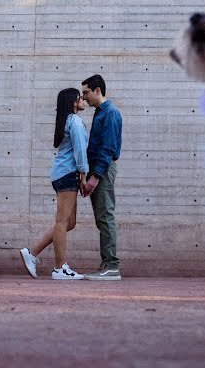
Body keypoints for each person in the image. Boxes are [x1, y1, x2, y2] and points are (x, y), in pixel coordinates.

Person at [19, 88, 90, 280]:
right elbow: (80, 151)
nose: (83, 99)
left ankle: (31, 252)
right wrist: (84, 176)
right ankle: (59, 268)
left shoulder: (67, 120)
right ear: (74, 102)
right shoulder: (74, 121)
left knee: (69, 223)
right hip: (68, 174)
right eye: (80, 97)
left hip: (64, 174)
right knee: (62, 222)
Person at [80, 74, 123, 281]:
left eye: (86, 92)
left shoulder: (111, 113)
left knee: (106, 217)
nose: (84, 97)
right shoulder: (99, 113)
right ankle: (106, 264)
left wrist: (95, 176)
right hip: (97, 169)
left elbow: (107, 148)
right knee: (102, 219)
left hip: (102, 170)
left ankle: (112, 266)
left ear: (98, 91)